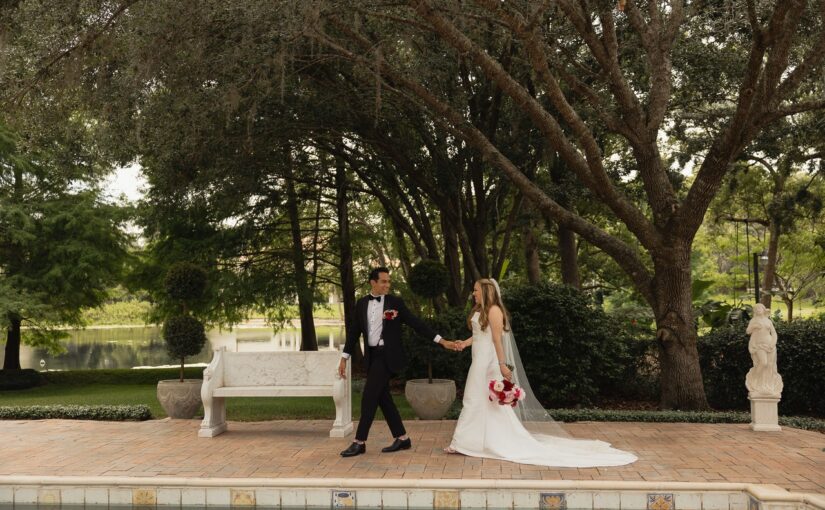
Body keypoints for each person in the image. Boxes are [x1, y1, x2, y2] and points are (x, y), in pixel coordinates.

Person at [444, 278, 638, 467]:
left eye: (476, 290)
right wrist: (465, 342)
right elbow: (480, 335)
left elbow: (497, 340)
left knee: (473, 399)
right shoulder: (481, 310)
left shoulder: (494, 310)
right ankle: (474, 441)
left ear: (486, 292)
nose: (473, 293)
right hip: (479, 359)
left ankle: (462, 442)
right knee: (479, 400)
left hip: (488, 362)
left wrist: (502, 365)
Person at [338, 267, 454, 457]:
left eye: (388, 281)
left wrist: (441, 341)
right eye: (383, 281)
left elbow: (416, 323)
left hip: (388, 356)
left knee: (369, 395)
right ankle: (402, 438)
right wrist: (344, 358)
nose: (387, 285)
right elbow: (353, 333)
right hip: (372, 356)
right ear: (373, 282)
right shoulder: (361, 304)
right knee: (383, 398)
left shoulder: (395, 303)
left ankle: (359, 442)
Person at [745, 303, 783, 396]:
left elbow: (774, 333)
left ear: (763, 309)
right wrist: (754, 326)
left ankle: (766, 385)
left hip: (770, 346)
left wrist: (773, 343)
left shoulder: (768, 321)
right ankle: (756, 380)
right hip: (759, 345)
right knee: (763, 363)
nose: (758, 309)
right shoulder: (754, 320)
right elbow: (748, 331)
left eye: (760, 308)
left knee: (769, 365)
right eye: (756, 308)